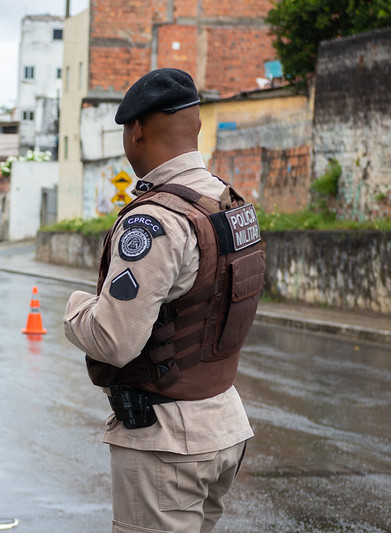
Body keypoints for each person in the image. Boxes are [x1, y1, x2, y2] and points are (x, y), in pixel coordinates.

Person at [63, 68, 264, 533]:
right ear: (194, 126)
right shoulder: (227, 202)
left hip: (168, 442)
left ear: (135, 130)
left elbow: (113, 340)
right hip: (223, 424)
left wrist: (75, 308)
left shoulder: (155, 222)